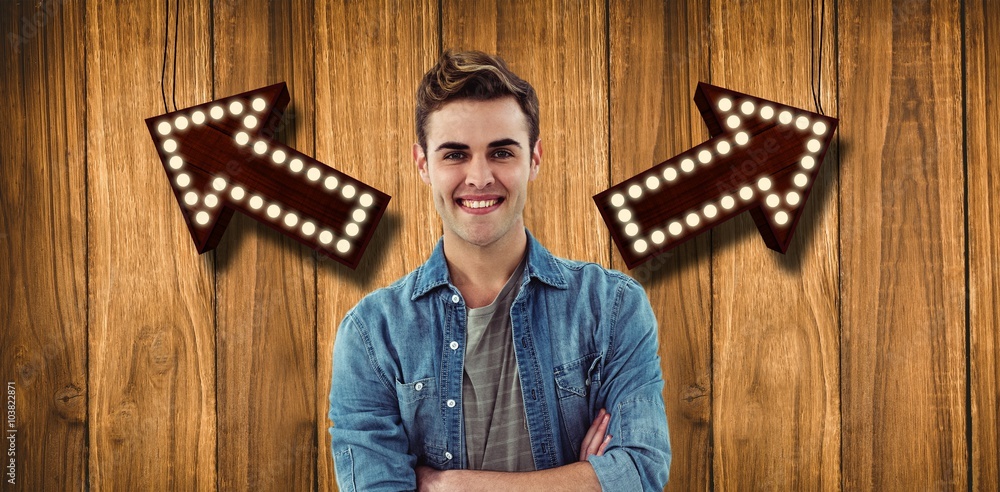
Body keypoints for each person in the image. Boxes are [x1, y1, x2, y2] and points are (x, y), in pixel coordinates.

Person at [328, 50, 671, 491]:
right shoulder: (373, 333)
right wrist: (584, 480)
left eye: (501, 152)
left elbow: (641, 475)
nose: (479, 177)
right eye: (455, 154)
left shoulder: (612, 307)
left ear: (534, 158)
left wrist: (448, 486)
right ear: (422, 165)